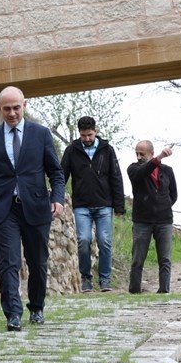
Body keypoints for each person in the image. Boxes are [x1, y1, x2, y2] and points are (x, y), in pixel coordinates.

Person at [0, 86, 65, 331]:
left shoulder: (41, 134)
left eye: (16, 107)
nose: (12, 113)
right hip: (4, 210)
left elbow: (55, 172)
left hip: (36, 206)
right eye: (7, 108)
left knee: (37, 261)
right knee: (8, 262)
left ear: (24, 105)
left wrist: (57, 198)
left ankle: (36, 307)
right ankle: (13, 313)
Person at [60, 116, 125, 293]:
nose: (87, 139)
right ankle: (86, 278)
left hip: (104, 204)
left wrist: (119, 205)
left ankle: (105, 279)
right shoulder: (71, 150)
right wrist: (56, 197)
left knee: (104, 241)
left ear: (95, 131)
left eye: (89, 135)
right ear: (79, 134)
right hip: (82, 205)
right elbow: (61, 176)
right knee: (83, 240)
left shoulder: (107, 150)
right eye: (83, 135)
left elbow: (116, 177)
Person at [126, 140, 177, 294]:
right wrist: (160, 157)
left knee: (165, 259)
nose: (139, 156)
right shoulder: (133, 169)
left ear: (151, 153)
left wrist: (163, 206)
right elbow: (142, 172)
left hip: (164, 221)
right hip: (142, 220)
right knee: (137, 259)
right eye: (137, 153)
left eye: (143, 153)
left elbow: (173, 194)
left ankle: (164, 291)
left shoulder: (167, 170)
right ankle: (134, 291)